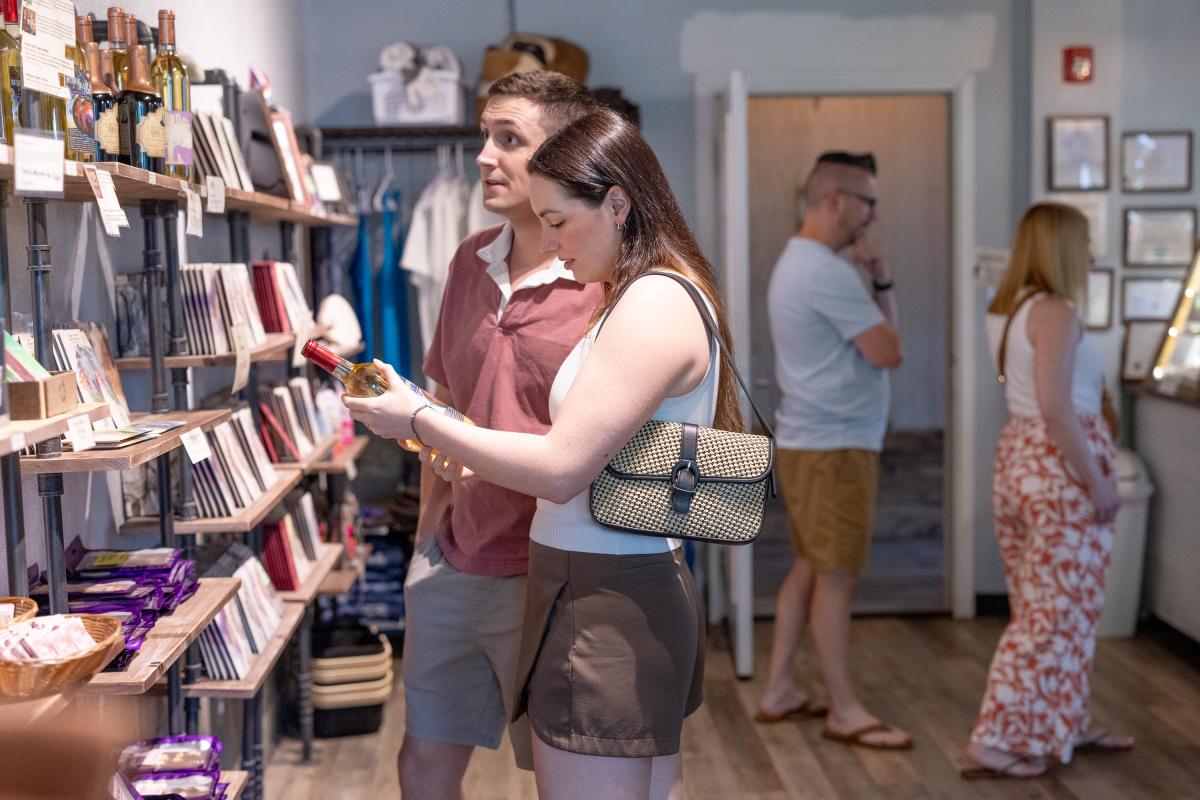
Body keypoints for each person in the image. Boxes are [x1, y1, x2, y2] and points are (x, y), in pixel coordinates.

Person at [346, 107, 742, 800]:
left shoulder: (651, 303)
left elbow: (561, 467)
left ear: (618, 203)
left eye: (559, 221)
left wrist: (419, 417)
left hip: (607, 595)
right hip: (596, 584)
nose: (552, 244)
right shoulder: (637, 295)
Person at [394, 71, 601, 800]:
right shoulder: (467, 259)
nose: (484, 155)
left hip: (557, 572)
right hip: (457, 558)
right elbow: (445, 400)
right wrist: (427, 543)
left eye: (508, 139)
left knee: (565, 777)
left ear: (564, 157)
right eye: (485, 135)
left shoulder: (604, 278)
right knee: (421, 765)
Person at [963, 202, 1131, 779]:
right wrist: (1101, 481)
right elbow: (1060, 408)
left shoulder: (1008, 311)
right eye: (1083, 244)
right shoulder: (1056, 311)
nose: (1091, 256)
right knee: (1053, 614)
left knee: (1045, 607)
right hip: (1061, 472)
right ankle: (993, 739)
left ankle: (1065, 721)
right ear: (1060, 248)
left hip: (1019, 462)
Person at [757, 151, 911, 749]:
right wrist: (879, 283)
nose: (872, 215)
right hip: (834, 448)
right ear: (834, 199)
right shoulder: (823, 271)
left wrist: (879, 281)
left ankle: (777, 691)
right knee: (837, 576)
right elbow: (890, 352)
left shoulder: (809, 265)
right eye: (867, 201)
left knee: (811, 567)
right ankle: (844, 709)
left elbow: (883, 342)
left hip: (815, 441)